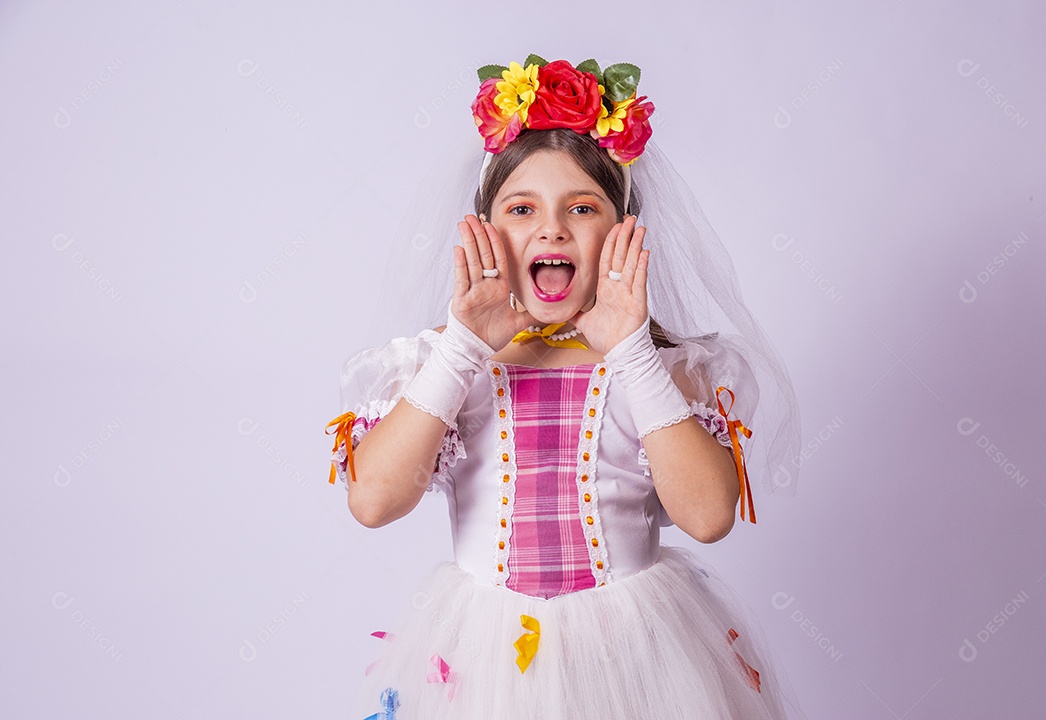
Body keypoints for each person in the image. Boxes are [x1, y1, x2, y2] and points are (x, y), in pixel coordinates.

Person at [325, 55, 807, 719]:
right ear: (485, 233)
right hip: (487, 659)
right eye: (522, 209)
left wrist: (634, 354)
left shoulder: (664, 370)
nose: (551, 228)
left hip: (634, 658)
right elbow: (373, 501)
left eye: (582, 207)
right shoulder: (444, 364)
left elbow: (709, 516)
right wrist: (463, 349)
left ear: (623, 231)